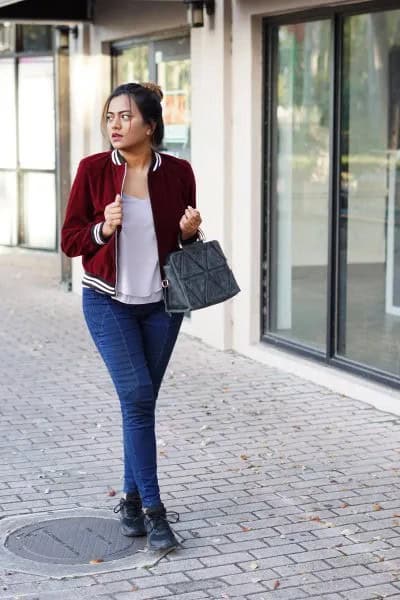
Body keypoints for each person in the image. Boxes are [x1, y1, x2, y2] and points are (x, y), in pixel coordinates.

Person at [61, 82, 202, 551]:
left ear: (150, 125)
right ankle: (154, 512)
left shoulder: (178, 172)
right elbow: (71, 240)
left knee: (137, 404)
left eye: (124, 117)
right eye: (110, 118)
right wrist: (103, 226)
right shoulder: (93, 170)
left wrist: (188, 234)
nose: (115, 126)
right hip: (107, 302)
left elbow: (181, 248)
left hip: (163, 305)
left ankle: (128, 499)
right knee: (139, 396)